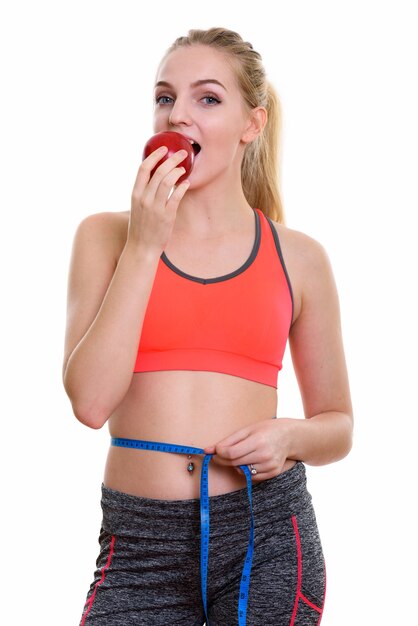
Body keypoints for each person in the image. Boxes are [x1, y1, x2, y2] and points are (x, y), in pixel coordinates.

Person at [63, 26, 353, 626]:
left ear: (253, 123)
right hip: (138, 543)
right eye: (165, 97)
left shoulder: (298, 258)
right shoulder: (105, 237)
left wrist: (288, 438)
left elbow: (339, 426)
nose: (179, 116)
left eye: (208, 99)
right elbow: (91, 403)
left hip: (265, 532)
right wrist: (145, 246)